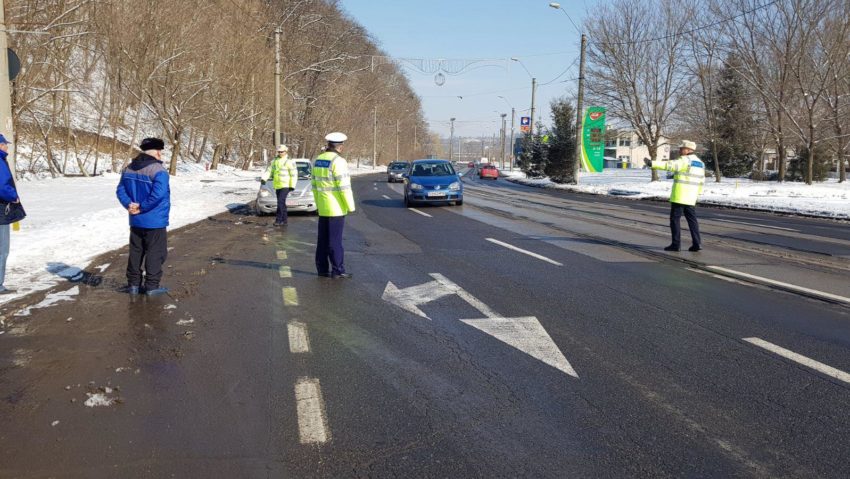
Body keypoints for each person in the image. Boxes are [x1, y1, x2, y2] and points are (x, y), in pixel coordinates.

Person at [116, 137, 171, 295]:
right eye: (160, 151)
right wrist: (141, 207)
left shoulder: (129, 168)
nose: (161, 154)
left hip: (136, 219)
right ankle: (152, 287)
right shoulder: (159, 171)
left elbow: (120, 190)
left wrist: (130, 205)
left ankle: (133, 285)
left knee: (136, 251)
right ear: (157, 152)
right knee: (156, 252)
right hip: (154, 220)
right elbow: (158, 195)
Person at [645, 140, 705, 252]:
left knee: (675, 220)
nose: (680, 150)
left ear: (688, 150)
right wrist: (698, 193)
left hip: (680, 195)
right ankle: (697, 243)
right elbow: (702, 181)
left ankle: (675, 244)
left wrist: (652, 163)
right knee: (692, 220)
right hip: (692, 196)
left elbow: (670, 165)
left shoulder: (684, 160)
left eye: (682, 148)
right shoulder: (700, 163)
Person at [312, 132, 355, 279]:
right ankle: (338, 270)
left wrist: (318, 204)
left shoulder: (318, 160)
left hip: (323, 207)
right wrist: (350, 206)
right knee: (335, 241)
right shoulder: (338, 161)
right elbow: (344, 187)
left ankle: (322, 269)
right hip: (336, 208)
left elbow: (314, 185)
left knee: (322, 240)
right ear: (340, 147)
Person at [0, 134, 20, 294]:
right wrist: (13, 196)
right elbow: (2, 186)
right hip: (1, 211)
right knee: (2, 249)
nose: (7, 147)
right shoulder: (0, 162)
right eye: (5, 144)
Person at [261, 144, 297, 226]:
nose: (280, 153)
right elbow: (269, 171)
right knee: (282, 203)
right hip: (277, 185)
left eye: (282, 152)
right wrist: (264, 178)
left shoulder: (289, 161)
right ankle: (285, 221)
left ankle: (278, 220)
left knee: (280, 202)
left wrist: (292, 185)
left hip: (286, 185)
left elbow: (294, 174)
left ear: (285, 151)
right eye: (279, 152)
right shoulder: (274, 161)